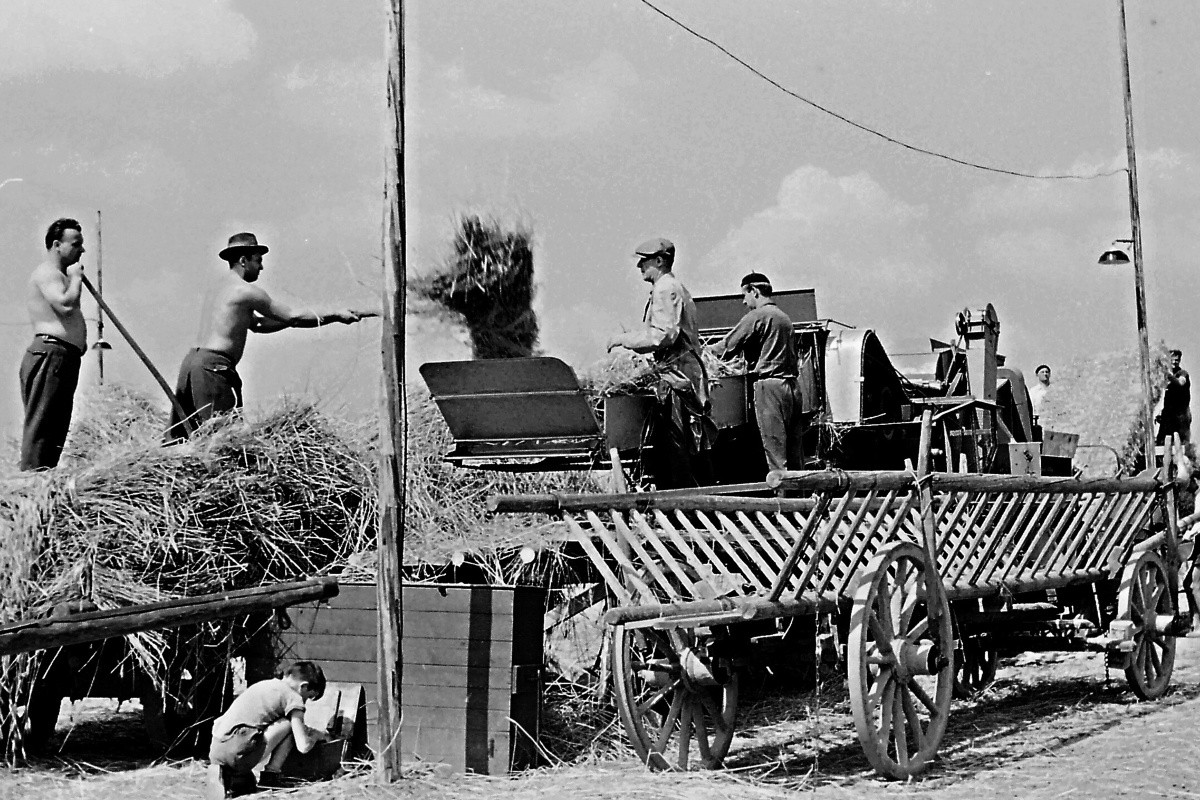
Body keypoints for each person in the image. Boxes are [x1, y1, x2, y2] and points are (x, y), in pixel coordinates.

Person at [167, 232, 367, 441]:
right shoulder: (245, 291)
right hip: (213, 368)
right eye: (258, 260)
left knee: (184, 439)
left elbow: (258, 324)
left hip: (192, 366)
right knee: (223, 440)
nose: (261, 267)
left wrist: (289, 321)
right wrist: (334, 314)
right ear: (243, 260)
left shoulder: (220, 288)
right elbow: (293, 316)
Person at [607, 237, 715, 488]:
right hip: (682, 372)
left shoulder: (666, 289)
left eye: (644, 261)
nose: (639, 266)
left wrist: (623, 339)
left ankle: (686, 502)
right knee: (690, 444)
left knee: (678, 444)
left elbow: (663, 336)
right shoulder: (673, 287)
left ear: (659, 261)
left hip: (677, 375)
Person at [710, 272, 802, 474]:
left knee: (776, 451)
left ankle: (782, 493)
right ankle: (801, 492)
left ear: (754, 291)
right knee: (794, 452)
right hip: (792, 386)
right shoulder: (784, 318)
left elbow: (727, 347)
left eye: (745, 295)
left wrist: (700, 353)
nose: (744, 302)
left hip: (770, 387)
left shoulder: (758, 316)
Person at [19, 218, 87, 470]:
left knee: (55, 428)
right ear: (57, 245)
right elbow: (64, 305)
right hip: (50, 355)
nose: (81, 250)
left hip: (63, 357)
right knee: (43, 425)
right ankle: (32, 478)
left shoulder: (59, 276)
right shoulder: (48, 273)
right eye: (76, 244)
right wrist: (76, 278)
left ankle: (44, 474)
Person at [206, 660, 329, 798]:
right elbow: (303, 746)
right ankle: (271, 775)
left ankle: (235, 775)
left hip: (217, 750)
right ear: (304, 686)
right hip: (238, 754)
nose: (305, 701)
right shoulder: (293, 697)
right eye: (309, 696)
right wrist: (316, 735)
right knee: (288, 724)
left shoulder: (265, 685)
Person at [1156, 349, 1191, 447]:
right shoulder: (1166, 377)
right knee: (1162, 440)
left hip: (1180, 415)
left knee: (1177, 440)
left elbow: (1181, 382)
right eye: (1172, 360)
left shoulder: (1182, 373)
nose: (1174, 362)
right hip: (1168, 414)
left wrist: (1168, 375)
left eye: (1177, 360)